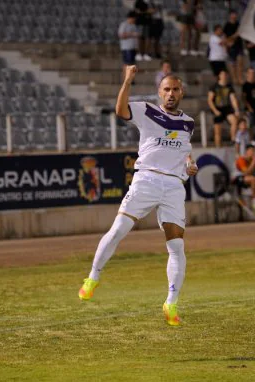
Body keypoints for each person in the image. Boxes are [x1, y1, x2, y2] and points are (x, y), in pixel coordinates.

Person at [78, 65, 199, 327]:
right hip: (147, 179)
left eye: (175, 89)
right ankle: (92, 278)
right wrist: (127, 81)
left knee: (177, 247)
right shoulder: (147, 111)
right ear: (159, 92)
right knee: (119, 229)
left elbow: (183, 150)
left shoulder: (188, 123)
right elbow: (121, 111)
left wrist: (190, 163)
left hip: (174, 186)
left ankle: (171, 303)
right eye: (166, 89)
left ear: (182, 93)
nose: (171, 93)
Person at [207, 70, 240, 146]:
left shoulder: (229, 87)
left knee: (234, 121)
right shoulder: (214, 87)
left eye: (225, 75)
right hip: (217, 108)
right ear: (219, 76)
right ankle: (218, 147)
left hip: (227, 108)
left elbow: (233, 99)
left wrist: (236, 109)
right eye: (223, 75)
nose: (224, 76)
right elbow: (210, 100)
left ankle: (233, 139)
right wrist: (215, 110)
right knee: (218, 131)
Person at [223, 9, 244, 85]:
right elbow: (225, 37)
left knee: (240, 62)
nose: (234, 16)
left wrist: (232, 38)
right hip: (231, 47)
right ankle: (234, 78)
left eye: (235, 14)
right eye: (233, 14)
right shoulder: (227, 25)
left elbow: (239, 34)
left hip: (239, 46)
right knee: (232, 64)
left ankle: (240, 78)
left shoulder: (238, 24)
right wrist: (227, 43)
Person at [118, 12, 140, 78]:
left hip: (133, 48)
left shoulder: (134, 25)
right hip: (126, 48)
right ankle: (125, 78)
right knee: (127, 63)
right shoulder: (124, 25)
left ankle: (130, 78)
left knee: (132, 64)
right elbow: (121, 35)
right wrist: (131, 34)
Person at [242, 67, 255, 142]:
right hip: (249, 110)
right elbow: (243, 98)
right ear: (247, 74)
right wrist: (249, 107)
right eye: (250, 73)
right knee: (250, 125)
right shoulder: (245, 85)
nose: (252, 75)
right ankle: (250, 141)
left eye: (253, 73)